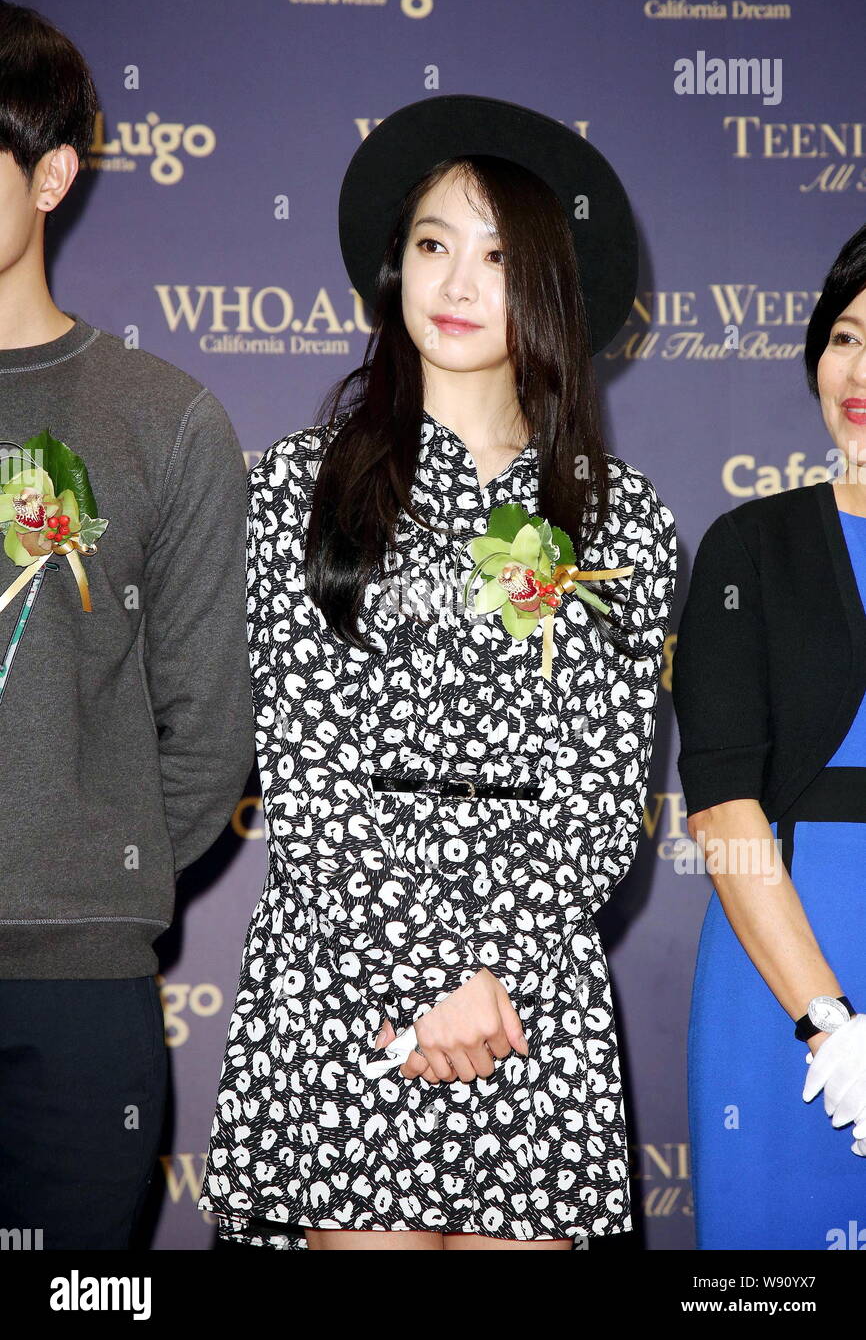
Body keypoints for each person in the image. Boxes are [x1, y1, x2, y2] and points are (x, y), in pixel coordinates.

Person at [199, 94, 677, 1251]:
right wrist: (418, 975)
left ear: (551, 283)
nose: (457, 283)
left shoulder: (622, 522)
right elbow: (305, 769)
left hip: (529, 993)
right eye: (431, 245)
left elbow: (604, 797)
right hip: (347, 972)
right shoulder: (295, 490)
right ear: (394, 267)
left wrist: (488, 974)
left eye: (499, 254)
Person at [0, 0, 254, 1249]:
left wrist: (95, 876)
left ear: (51, 173)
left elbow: (210, 725)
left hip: (78, 989)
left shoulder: (167, 420)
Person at [673, 223, 866, 1250]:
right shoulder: (751, 544)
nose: (857, 369)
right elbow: (720, 801)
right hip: (780, 985)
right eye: (843, 335)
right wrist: (830, 1025)